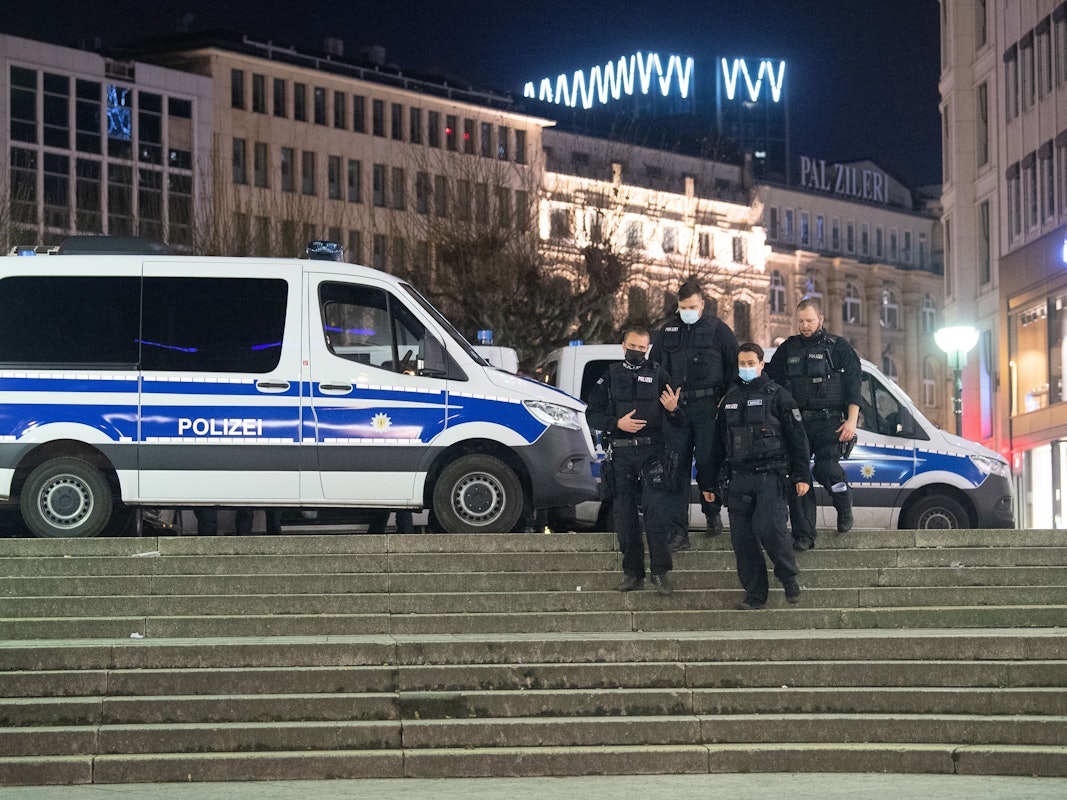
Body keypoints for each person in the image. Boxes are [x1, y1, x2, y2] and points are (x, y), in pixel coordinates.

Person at [703, 343, 810, 610]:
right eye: (742, 363)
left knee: (770, 529)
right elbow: (716, 445)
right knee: (742, 541)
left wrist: (802, 475)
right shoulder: (729, 397)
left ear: (762, 364)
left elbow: (798, 439)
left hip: (770, 477)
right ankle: (754, 596)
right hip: (738, 478)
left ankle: (788, 579)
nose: (746, 368)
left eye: (752, 363)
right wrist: (708, 482)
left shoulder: (778, 396)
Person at [586, 326, 685, 596]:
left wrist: (673, 410)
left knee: (655, 514)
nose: (637, 352)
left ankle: (661, 573)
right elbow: (591, 414)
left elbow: (679, 416)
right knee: (625, 517)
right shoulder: (608, 376)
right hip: (621, 454)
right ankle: (632, 574)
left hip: (652, 452)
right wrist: (616, 423)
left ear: (648, 348)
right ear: (623, 345)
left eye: (642, 348)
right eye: (633, 346)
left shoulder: (658, 374)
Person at [765, 298, 863, 550]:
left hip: (830, 421)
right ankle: (804, 535)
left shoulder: (838, 347)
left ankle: (843, 502)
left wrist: (851, 421)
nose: (805, 326)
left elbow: (854, 386)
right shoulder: (788, 348)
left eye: (809, 320)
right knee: (798, 477)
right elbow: (769, 383)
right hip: (797, 424)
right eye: (800, 321)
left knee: (827, 469)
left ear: (820, 319)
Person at [651, 278, 738, 551]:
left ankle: (712, 513)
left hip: (708, 408)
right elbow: (655, 369)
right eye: (682, 307)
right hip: (676, 409)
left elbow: (734, 371)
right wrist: (664, 401)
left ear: (702, 304)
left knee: (708, 463)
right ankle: (679, 533)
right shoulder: (667, 332)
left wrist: (724, 404)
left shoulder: (719, 331)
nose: (686, 311)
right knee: (674, 469)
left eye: (691, 306)